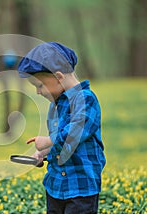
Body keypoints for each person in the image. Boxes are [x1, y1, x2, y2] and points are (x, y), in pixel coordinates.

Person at [17, 42, 106, 214]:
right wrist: (44, 153)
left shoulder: (86, 100)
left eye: (40, 85)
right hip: (56, 186)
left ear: (58, 77)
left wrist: (49, 140)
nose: (38, 92)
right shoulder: (55, 106)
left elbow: (75, 133)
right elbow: (63, 145)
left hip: (81, 188)